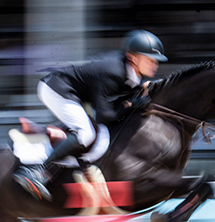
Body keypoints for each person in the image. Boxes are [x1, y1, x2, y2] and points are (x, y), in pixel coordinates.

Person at [13, 29, 168, 201]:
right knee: (86, 133)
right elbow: (105, 116)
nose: (155, 64)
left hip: (71, 93)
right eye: (150, 60)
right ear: (133, 58)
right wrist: (130, 104)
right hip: (55, 89)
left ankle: (44, 132)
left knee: (85, 127)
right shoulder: (114, 72)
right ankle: (36, 171)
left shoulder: (130, 73)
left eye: (157, 61)